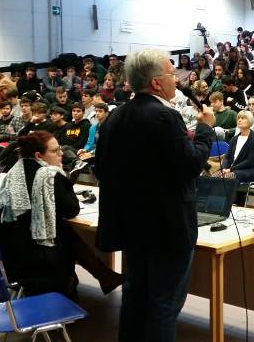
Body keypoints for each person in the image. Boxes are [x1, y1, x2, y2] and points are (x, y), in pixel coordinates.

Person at [95, 49, 215, 342]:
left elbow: (102, 169)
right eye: (172, 74)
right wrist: (205, 129)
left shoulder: (115, 116)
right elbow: (190, 165)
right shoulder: (164, 116)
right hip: (167, 228)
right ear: (156, 82)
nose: (177, 80)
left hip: (131, 225)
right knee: (164, 304)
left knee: (135, 297)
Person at [0, 131, 122, 298]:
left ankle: (103, 275)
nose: (61, 153)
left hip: (9, 251)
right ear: (38, 155)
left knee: (62, 229)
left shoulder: (14, 170)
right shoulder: (49, 175)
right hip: (35, 257)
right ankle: (100, 276)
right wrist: (65, 177)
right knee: (63, 231)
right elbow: (72, 210)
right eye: (55, 151)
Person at [218, 110, 254, 184]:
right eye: (238, 118)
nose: (239, 120)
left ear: (249, 121)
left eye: (243, 118)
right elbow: (227, 157)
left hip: (249, 170)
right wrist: (224, 168)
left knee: (226, 178)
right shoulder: (234, 139)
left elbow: (249, 161)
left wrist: (230, 169)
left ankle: (229, 192)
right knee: (213, 177)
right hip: (232, 169)